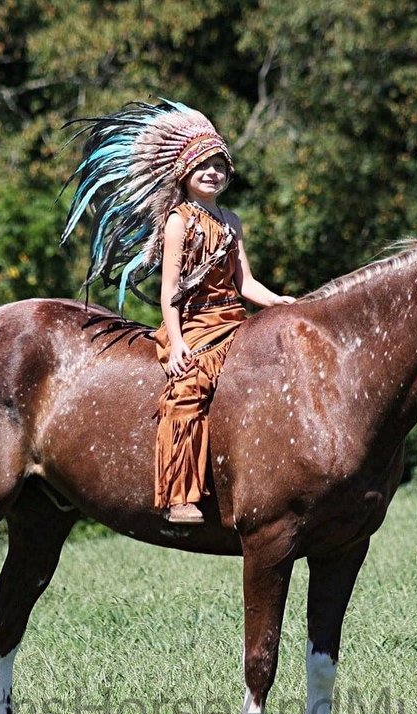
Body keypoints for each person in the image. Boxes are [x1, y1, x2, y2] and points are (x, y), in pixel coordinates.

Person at [61, 100, 294, 524]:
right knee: (186, 392)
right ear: (185, 173)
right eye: (204, 165)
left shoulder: (231, 220)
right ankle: (180, 496)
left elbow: (246, 283)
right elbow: (170, 291)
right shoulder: (178, 221)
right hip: (193, 324)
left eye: (220, 167)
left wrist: (278, 302)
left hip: (232, 319)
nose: (212, 173)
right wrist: (179, 341)